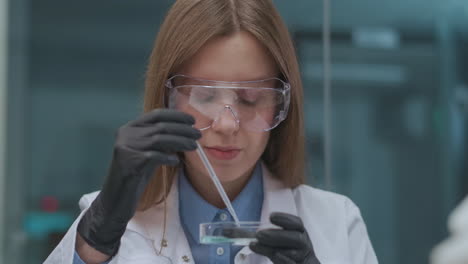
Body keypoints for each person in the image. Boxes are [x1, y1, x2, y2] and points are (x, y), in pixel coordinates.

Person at [44, 0, 378, 263]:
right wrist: (94, 243)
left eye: (251, 99)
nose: (227, 124)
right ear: (168, 99)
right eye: (204, 97)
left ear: (281, 106)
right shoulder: (116, 225)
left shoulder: (336, 224)